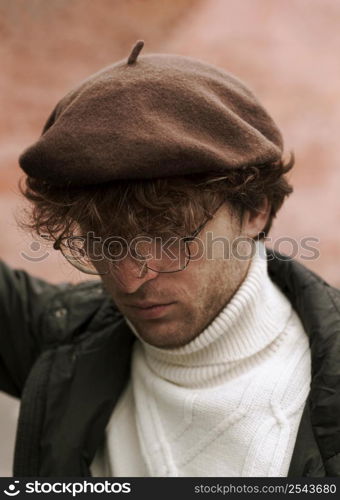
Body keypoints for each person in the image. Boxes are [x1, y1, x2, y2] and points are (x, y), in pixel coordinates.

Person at [1, 40, 339, 478]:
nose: (128, 280)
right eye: (103, 242)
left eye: (167, 237)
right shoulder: (62, 338)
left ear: (254, 209)